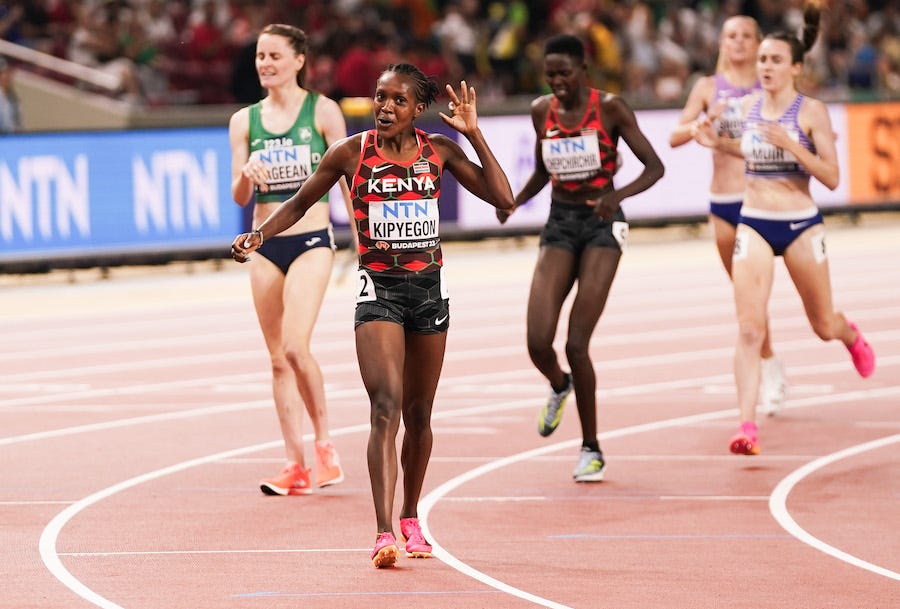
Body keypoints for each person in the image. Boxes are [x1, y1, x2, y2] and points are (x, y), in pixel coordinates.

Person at [231, 64, 515, 568]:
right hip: (378, 291)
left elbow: (504, 198)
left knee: (419, 413)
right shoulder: (350, 153)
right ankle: (384, 532)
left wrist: (474, 134)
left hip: (429, 293)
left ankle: (411, 516)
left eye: (397, 101)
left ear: (416, 109)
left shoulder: (439, 151)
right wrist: (260, 235)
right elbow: (298, 203)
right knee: (385, 405)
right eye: (379, 97)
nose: (384, 107)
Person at [692, 2, 875, 456]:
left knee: (822, 324)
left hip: (800, 225)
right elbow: (747, 151)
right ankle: (746, 426)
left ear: (795, 67)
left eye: (774, 60)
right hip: (752, 222)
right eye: (762, 61)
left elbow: (831, 177)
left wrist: (793, 144)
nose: (766, 67)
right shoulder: (748, 105)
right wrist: (716, 141)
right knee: (750, 329)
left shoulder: (811, 112)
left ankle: (849, 333)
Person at [497, 34, 664, 482]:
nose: (557, 82)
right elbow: (540, 171)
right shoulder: (541, 111)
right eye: (550, 75)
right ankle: (558, 384)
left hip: (602, 226)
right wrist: (513, 201)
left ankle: (591, 448)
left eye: (564, 73)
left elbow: (654, 167)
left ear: (583, 69)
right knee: (536, 341)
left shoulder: (610, 108)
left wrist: (616, 195)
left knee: (576, 343)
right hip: (560, 224)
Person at [228, 24, 353, 497]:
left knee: (298, 348)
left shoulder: (323, 112)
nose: (265, 64)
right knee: (278, 360)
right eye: (260, 56)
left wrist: (362, 239)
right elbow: (239, 194)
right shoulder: (244, 121)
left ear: (299, 60)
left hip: (312, 242)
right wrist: (247, 174)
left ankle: (325, 448)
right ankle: (294, 463)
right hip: (264, 245)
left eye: (274, 55)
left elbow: (345, 182)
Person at [669, 16, 789, 417]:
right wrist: (701, 123)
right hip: (723, 203)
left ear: (759, 43)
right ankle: (770, 365)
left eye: (746, 36)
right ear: (721, 42)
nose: (738, 42)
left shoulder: (771, 81)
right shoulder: (707, 87)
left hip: (767, 203)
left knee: (765, 297)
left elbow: (799, 124)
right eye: (731, 36)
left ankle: (768, 366)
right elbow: (675, 136)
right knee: (747, 297)